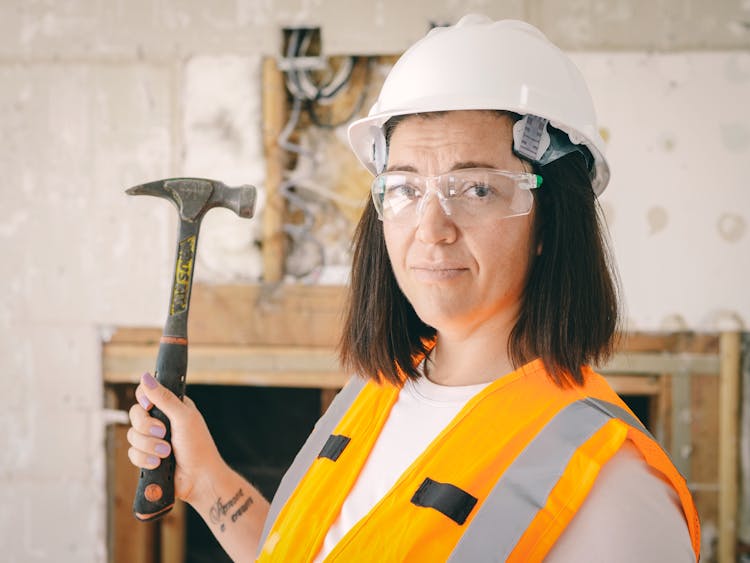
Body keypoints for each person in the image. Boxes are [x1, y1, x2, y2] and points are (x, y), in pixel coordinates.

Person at [127, 14, 701, 562]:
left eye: (476, 189)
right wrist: (205, 482)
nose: (430, 228)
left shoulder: (611, 489)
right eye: (403, 187)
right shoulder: (377, 392)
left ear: (551, 220)